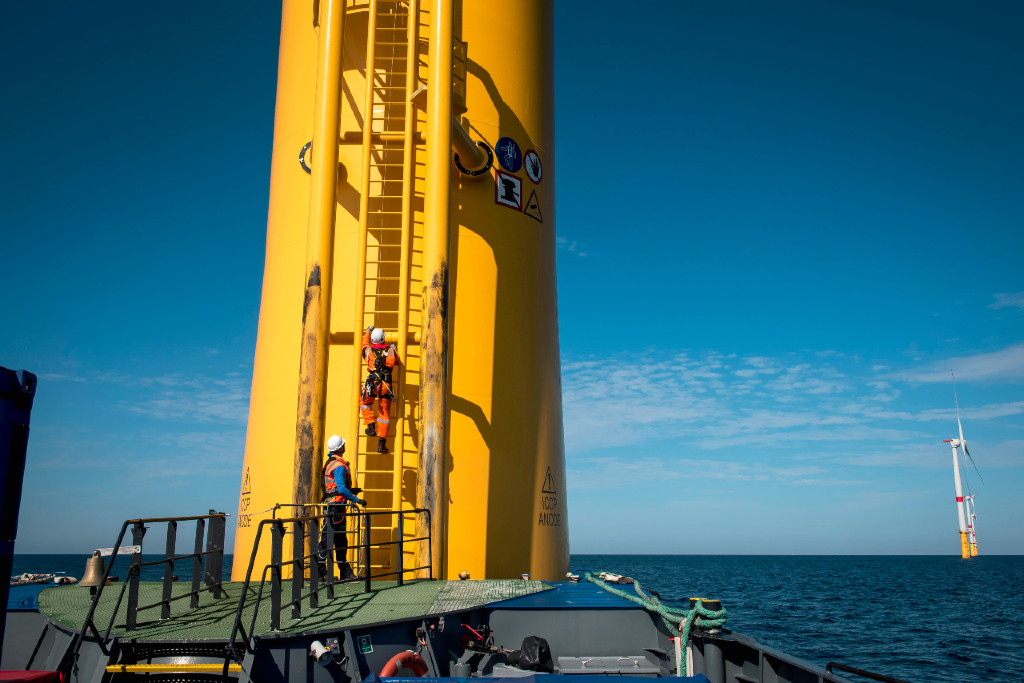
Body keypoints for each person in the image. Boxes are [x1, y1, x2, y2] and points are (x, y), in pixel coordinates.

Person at [317, 434, 366, 582]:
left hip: (334, 506)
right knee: (328, 540)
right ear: (341, 448)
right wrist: (357, 500)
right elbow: (341, 488)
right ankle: (321, 573)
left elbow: (335, 488)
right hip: (336, 508)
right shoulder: (339, 466)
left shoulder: (331, 463)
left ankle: (344, 572)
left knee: (339, 540)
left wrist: (351, 491)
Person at [359, 326, 401, 453]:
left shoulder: (368, 351)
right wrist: (394, 348)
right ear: (384, 338)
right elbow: (397, 361)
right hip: (385, 385)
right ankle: (381, 444)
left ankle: (371, 426)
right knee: (384, 414)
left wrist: (368, 332)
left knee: (365, 403)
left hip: (372, 383)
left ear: (372, 340)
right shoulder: (391, 351)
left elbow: (364, 344)